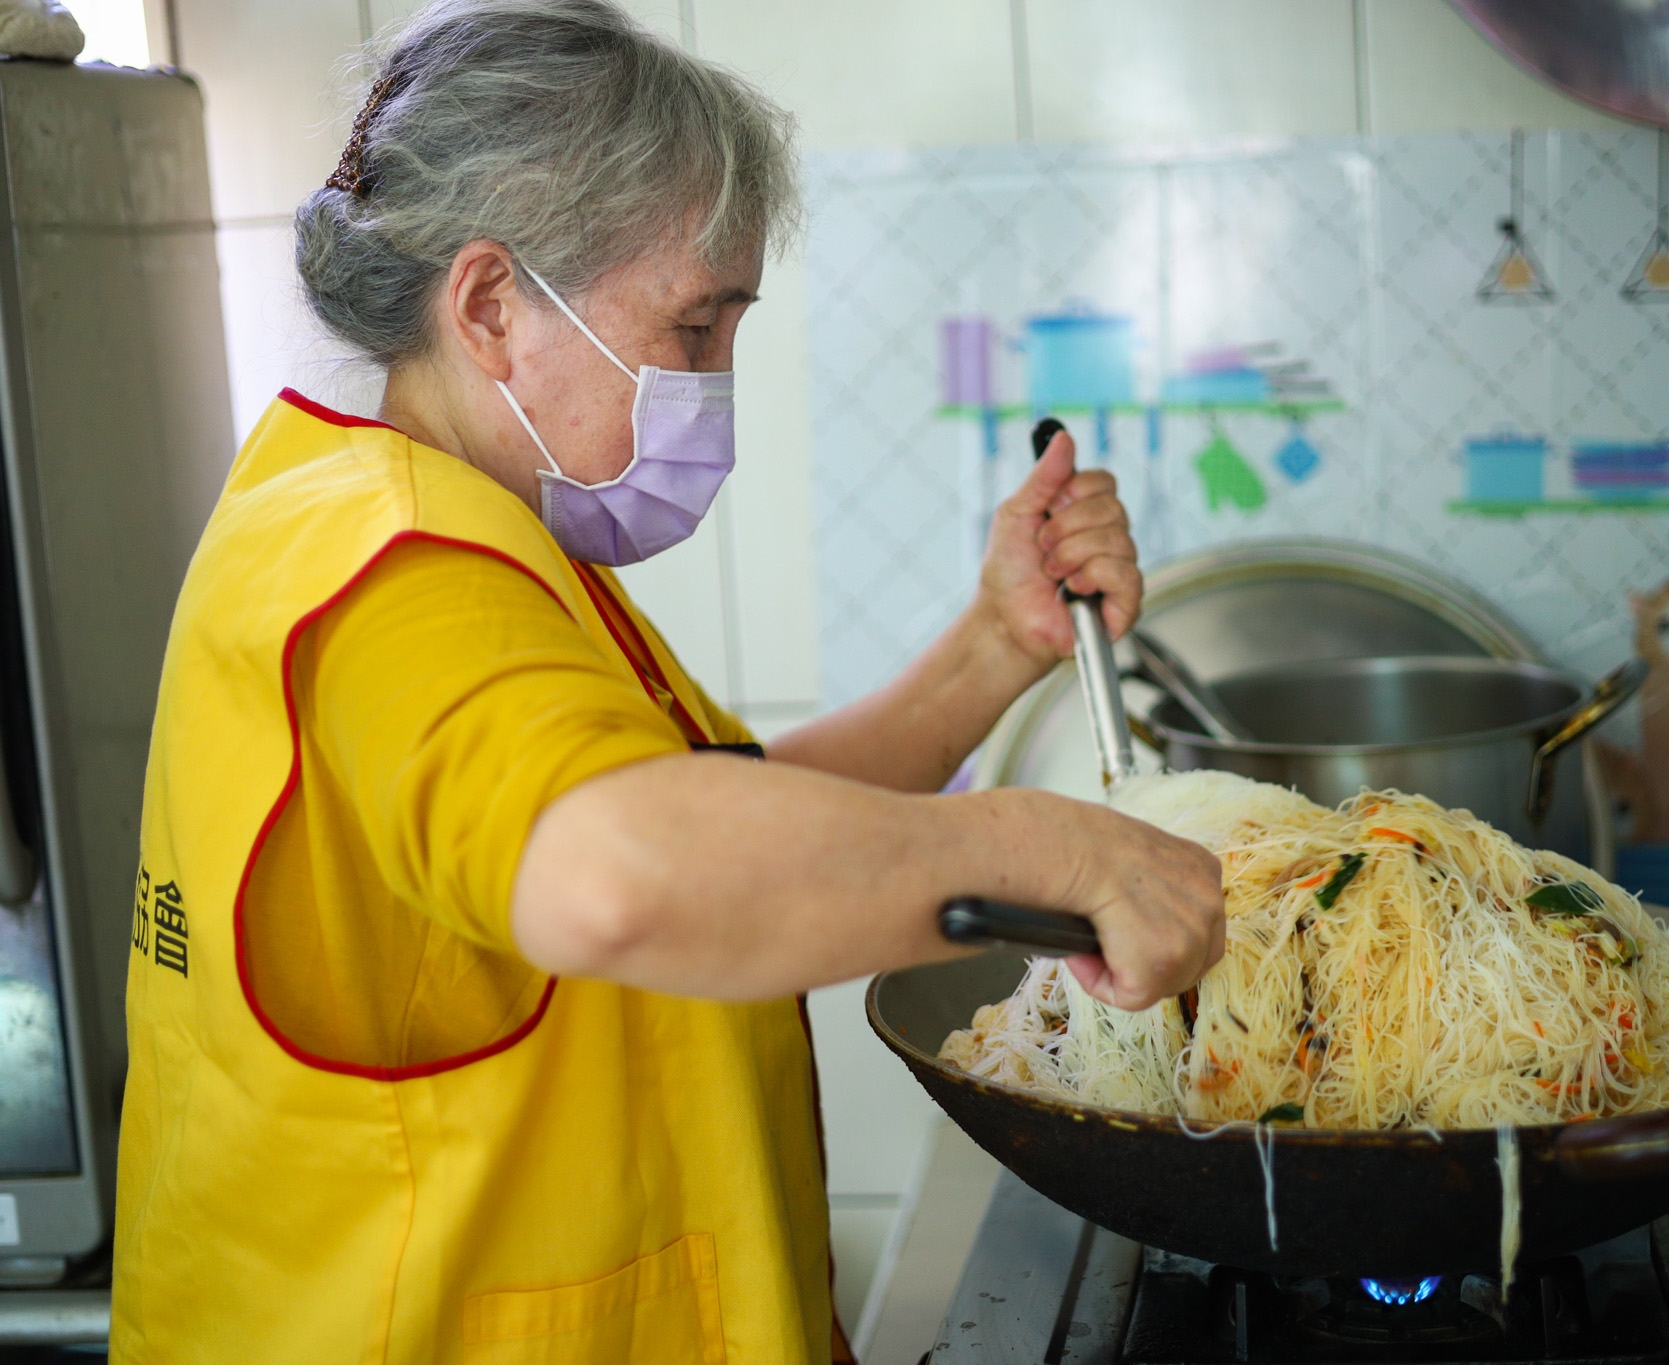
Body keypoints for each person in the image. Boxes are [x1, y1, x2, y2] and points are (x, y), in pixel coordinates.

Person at [109, 2, 1224, 1361]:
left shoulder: (408, 521)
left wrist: (997, 645)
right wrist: (1048, 849)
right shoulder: (391, 572)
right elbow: (626, 873)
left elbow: (723, 818)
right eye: (696, 329)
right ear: (492, 305)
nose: (717, 385)